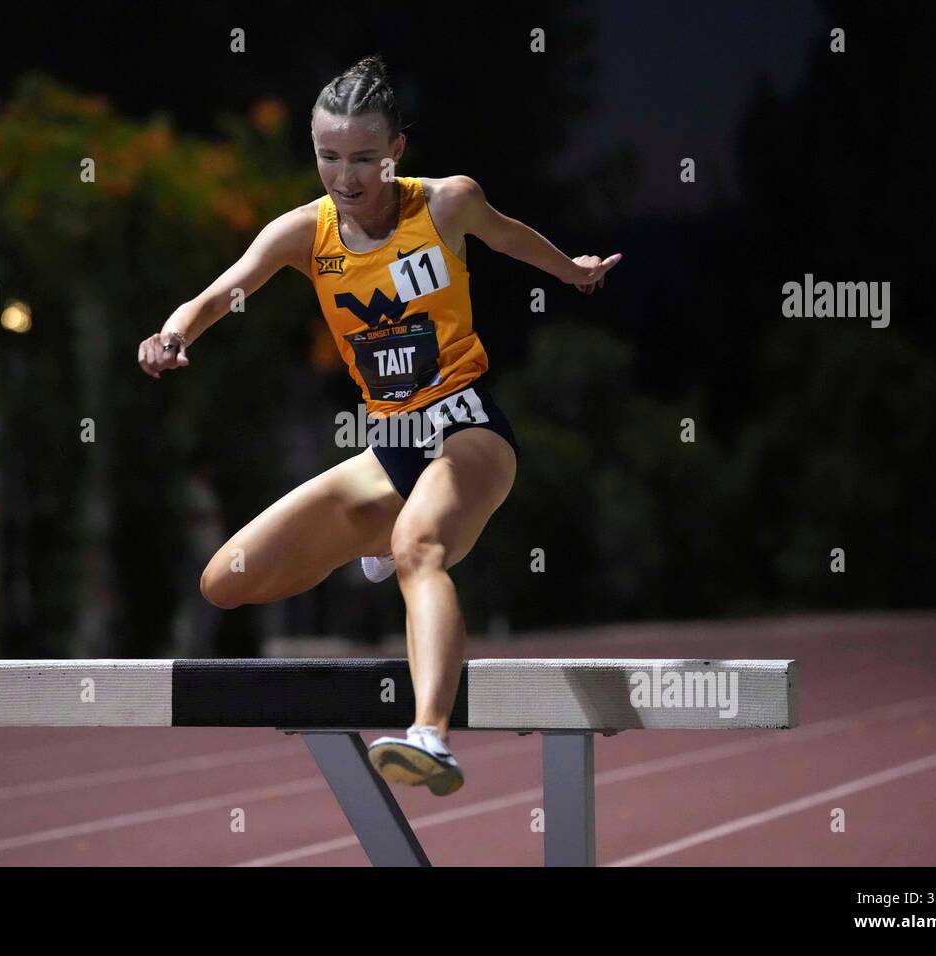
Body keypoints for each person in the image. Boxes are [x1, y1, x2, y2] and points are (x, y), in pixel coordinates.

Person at [137, 54, 621, 796]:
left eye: (365, 157)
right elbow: (220, 290)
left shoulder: (447, 203)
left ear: (395, 151)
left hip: (467, 430)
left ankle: (431, 735)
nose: (347, 177)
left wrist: (573, 270)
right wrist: (172, 335)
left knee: (417, 549)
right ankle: (368, 535)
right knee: (225, 582)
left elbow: (511, 237)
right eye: (329, 157)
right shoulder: (304, 233)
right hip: (390, 444)